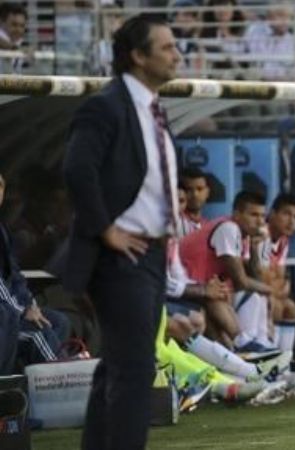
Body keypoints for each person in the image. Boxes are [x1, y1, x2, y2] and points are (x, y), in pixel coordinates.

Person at [62, 14, 182, 450]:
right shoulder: (107, 105)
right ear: (137, 55)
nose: (177, 54)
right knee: (134, 368)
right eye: (167, 47)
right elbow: (77, 168)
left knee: (116, 365)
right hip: (120, 254)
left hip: (151, 253)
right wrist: (106, 230)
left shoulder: (153, 107)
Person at [179, 190, 274, 352]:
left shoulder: (243, 236)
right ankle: (245, 343)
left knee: (223, 297)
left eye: (262, 216)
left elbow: (254, 276)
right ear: (237, 214)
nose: (260, 222)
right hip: (181, 286)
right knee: (223, 295)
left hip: (202, 290)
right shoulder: (228, 228)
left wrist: (254, 247)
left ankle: (249, 351)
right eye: (253, 215)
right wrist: (271, 291)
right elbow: (241, 281)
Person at [0, 174, 70, 366]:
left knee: (58, 321)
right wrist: (23, 310)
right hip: (5, 316)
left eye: (1, 188)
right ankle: (65, 379)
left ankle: (34, 386)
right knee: (38, 334)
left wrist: (31, 304)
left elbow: (15, 275)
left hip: (10, 312)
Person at [257, 193, 295, 353]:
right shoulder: (262, 235)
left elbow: (280, 278)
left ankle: (285, 363)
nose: (292, 221)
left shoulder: (283, 240)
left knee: (291, 307)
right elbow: (263, 278)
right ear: (272, 213)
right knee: (275, 306)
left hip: (267, 291)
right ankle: (271, 363)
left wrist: (277, 284)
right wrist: (276, 285)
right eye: (286, 214)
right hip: (248, 290)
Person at [177, 167, 210, 238]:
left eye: (199, 189)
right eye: (189, 189)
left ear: (207, 192)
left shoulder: (209, 226)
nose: (195, 194)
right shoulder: (174, 222)